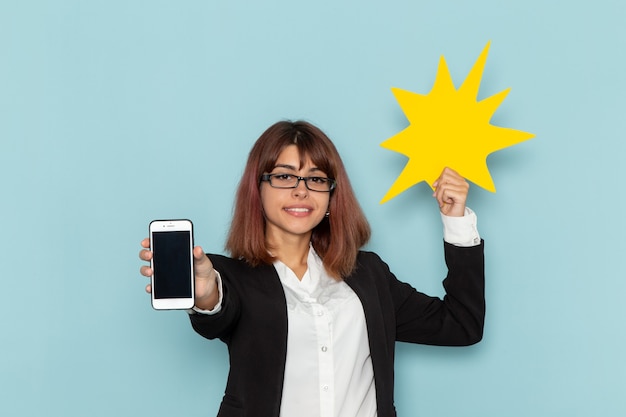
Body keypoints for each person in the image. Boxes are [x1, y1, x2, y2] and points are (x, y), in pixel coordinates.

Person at [139, 120, 485, 417]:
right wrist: (206, 295)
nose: (301, 191)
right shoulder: (233, 277)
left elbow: (461, 326)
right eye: (285, 176)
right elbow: (218, 313)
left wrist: (456, 222)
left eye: (316, 179)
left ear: (332, 196)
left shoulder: (368, 274)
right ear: (257, 190)